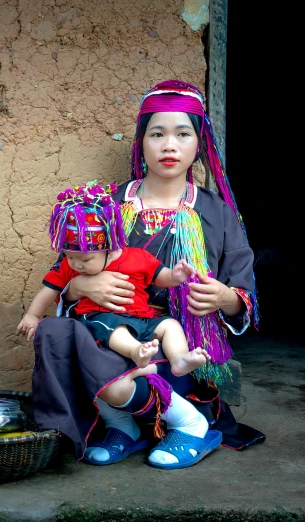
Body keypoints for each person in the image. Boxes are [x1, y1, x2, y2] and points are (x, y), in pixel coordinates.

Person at [31, 80, 263, 470]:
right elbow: (66, 270)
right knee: (59, 336)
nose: (169, 145)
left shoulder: (217, 214)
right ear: (141, 142)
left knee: (157, 366)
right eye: (157, 134)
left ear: (199, 143)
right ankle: (124, 425)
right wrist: (80, 286)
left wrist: (224, 297)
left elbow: (244, 296)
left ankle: (188, 426)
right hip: (108, 337)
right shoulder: (104, 208)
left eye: (182, 134)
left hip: (175, 348)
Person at [17, 181, 211, 402]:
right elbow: (49, 290)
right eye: (70, 257)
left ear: (111, 248)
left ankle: (179, 360)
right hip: (101, 318)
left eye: (86, 260)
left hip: (143, 318)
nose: (76, 265)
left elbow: (160, 276)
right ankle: (136, 352)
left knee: (170, 326)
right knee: (115, 329)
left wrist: (176, 276)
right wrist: (32, 316)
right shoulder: (69, 267)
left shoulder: (137, 257)